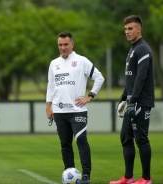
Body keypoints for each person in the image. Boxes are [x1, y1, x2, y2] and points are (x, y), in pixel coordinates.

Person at [46, 32, 104, 184]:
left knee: (81, 140)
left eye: (66, 44)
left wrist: (89, 96)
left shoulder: (81, 61)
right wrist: (48, 106)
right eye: (60, 45)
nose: (63, 47)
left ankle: (86, 175)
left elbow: (99, 77)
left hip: (77, 110)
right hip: (59, 111)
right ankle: (69, 172)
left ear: (72, 44)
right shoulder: (54, 64)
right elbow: (51, 86)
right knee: (65, 144)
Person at [110, 15, 155, 184]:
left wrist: (133, 100)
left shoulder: (143, 48)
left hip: (141, 102)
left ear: (139, 29)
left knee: (141, 139)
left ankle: (146, 179)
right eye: (125, 29)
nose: (127, 32)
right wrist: (123, 98)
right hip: (132, 102)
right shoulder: (132, 49)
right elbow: (131, 78)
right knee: (125, 137)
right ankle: (128, 178)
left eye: (130, 29)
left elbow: (141, 77)